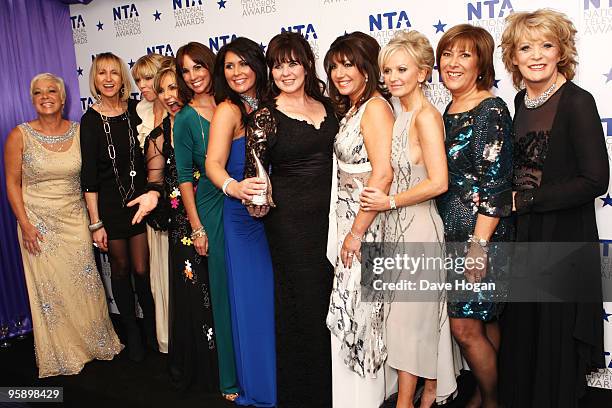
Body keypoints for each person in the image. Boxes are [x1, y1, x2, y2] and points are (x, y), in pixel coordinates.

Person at [498, 9, 608, 407]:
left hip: (562, 237)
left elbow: (596, 181)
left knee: (555, 343)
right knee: (525, 337)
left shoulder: (578, 101)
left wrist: (527, 200)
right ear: (512, 56)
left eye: (546, 44)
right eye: (526, 47)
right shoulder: (519, 101)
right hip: (525, 237)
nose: (536, 55)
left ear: (561, 51)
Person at [360, 30, 461, 407]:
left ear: (423, 72)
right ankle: (426, 395)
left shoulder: (426, 118)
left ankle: (411, 401)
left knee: (411, 328)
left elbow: (439, 182)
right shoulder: (398, 116)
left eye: (401, 69)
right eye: (387, 70)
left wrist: (388, 202)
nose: (392, 77)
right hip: (393, 230)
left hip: (418, 228)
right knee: (400, 327)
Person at [4, 73, 123, 377]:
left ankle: (95, 344)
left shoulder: (80, 131)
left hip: (75, 221)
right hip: (37, 225)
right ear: (32, 99)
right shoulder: (19, 135)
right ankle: (62, 353)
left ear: (63, 97)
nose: (46, 96)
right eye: (39, 92)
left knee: (86, 287)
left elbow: (93, 178)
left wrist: (97, 221)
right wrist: (25, 224)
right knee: (51, 293)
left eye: (52, 91)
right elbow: (12, 184)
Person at [250, 31, 339, 408]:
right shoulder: (264, 116)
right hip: (291, 227)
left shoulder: (330, 106)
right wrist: (257, 201)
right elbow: (255, 179)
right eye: (277, 64)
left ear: (306, 64)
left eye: (292, 63)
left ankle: (340, 390)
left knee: (334, 303)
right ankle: (308, 395)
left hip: (336, 221)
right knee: (304, 307)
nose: (285, 72)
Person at [127, 62, 220, 392]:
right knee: (194, 295)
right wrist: (153, 195)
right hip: (185, 225)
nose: (168, 95)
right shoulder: (157, 137)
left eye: (172, 87)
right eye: (161, 89)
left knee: (218, 293)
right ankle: (199, 367)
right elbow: (157, 181)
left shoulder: (207, 120)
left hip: (218, 215)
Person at [435, 25, 514, 408]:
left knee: (464, 327)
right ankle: (485, 396)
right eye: (447, 54)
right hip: (451, 234)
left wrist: (479, 247)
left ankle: (492, 400)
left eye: (464, 55)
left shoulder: (490, 109)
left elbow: (497, 186)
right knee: (484, 322)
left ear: (482, 63)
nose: (453, 63)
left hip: (479, 236)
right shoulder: (447, 109)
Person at [324, 31, 396, 408]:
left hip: (366, 227)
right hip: (349, 221)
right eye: (335, 66)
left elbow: (382, 175)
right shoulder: (354, 107)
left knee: (364, 316)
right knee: (354, 313)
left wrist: (355, 233)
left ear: (367, 66)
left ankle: (366, 400)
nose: (340, 73)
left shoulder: (376, 108)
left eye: (348, 64)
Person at [205, 37, 276, 407]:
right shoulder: (227, 110)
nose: (236, 72)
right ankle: (263, 390)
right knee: (254, 304)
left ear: (257, 65)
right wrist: (234, 187)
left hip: (277, 219)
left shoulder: (273, 103)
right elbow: (212, 165)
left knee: (277, 303)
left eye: (243, 63)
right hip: (242, 220)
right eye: (229, 66)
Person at [172, 42, 239, 400]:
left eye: (198, 66)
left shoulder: (235, 104)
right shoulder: (184, 119)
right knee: (223, 293)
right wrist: (197, 226)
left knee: (245, 289)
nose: (194, 76)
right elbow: (184, 177)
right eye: (185, 71)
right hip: (211, 208)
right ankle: (229, 378)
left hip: (245, 206)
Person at [80, 52, 155, 362]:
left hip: (139, 204)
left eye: (114, 72)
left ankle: (151, 329)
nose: (108, 78)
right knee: (121, 269)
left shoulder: (135, 112)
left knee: (142, 269)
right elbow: (89, 177)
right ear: (95, 80)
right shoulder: (90, 119)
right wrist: (96, 223)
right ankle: (132, 333)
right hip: (110, 208)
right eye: (101, 73)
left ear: (122, 78)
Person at [131, 53, 171, 354]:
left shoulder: (180, 110)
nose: (144, 85)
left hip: (178, 204)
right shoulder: (140, 112)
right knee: (157, 275)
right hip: (150, 204)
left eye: (148, 78)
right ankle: (166, 339)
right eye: (139, 80)